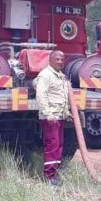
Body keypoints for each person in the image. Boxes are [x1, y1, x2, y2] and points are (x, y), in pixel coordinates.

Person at [35, 49, 70, 185]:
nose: (60, 61)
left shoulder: (60, 76)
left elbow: (63, 97)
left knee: (59, 145)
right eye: (57, 59)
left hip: (59, 116)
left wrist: (66, 113)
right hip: (50, 117)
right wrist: (48, 114)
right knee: (52, 145)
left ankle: (54, 174)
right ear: (50, 60)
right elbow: (41, 95)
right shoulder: (45, 75)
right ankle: (48, 176)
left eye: (62, 59)